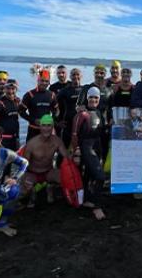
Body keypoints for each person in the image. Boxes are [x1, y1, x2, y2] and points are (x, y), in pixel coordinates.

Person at [71, 88, 108, 220]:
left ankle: (87, 199)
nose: (93, 100)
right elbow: (74, 135)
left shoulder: (98, 112)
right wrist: (76, 151)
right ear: (87, 98)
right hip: (86, 146)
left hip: (97, 147)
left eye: (96, 98)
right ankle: (97, 207)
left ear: (99, 100)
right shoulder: (81, 114)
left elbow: (101, 133)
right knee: (100, 176)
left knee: (89, 175)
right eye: (91, 97)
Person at [19, 114, 69, 208]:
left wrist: (76, 154)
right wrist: (23, 181)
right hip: (33, 173)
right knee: (21, 192)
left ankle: (50, 187)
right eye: (44, 125)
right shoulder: (32, 143)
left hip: (48, 172)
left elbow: (66, 156)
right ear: (40, 127)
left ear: (52, 126)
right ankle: (32, 192)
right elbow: (23, 165)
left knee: (66, 178)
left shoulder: (57, 141)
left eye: (49, 125)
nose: (46, 128)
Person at [19, 70, 59, 144]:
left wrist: (52, 119)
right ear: (38, 81)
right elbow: (21, 111)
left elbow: (56, 111)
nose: (44, 83)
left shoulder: (52, 95)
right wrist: (33, 120)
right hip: (33, 130)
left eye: (46, 81)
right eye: (42, 81)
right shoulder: (29, 95)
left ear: (49, 82)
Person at [56, 68, 84, 148]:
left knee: (81, 149)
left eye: (77, 74)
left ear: (81, 76)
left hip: (82, 125)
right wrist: (57, 121)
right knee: (63, 149)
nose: (75, 76)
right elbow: (53, 105)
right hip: (68, 124)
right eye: (73, 75)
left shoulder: (85, 89)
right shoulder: (65, 91)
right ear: (70, 77)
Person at [0, 79, 22, 150]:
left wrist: (17, 138)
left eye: (13, 89)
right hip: (3, 140)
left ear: (16, 89)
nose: (11, 91)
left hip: (15, 138)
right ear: (4, 89)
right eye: (8, 88)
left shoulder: (18, 101)